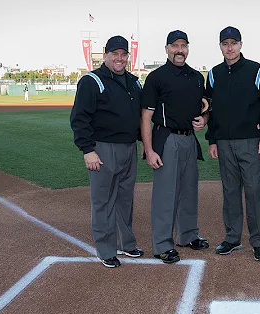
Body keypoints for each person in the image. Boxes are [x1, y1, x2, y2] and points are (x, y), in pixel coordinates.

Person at [70, 35, 144, 268]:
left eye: (123, 54)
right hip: (103, 148)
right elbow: (79, 118)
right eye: (115, 54)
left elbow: (139, 116)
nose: (120, 58)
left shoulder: (133, 81)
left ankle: (126, 243)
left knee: (125, 200)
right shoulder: (92, 81)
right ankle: (106, 249)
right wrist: (87, 150)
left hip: (129, 147)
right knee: (102, 201)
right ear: (106, 56)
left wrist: (144, 143)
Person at [141, 30, 209, 264]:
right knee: (165, 194)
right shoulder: (156, 77)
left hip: (190, 139)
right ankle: (162, 244)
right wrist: (149, 150)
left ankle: (188, 235)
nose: (180, 50)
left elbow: (205, 107)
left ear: (188, 48)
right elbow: (146, 116)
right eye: (175, 46)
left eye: (183, 46)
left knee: (189, 190)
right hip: (166, 138)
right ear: (167, 48)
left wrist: (205, 120)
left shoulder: (196, 77)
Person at [205, 26, 260, 261]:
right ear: (220, 46)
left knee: (253, 191)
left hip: (250, 141)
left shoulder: (257, 71)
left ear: (241, 44)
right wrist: (212, 140)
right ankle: (232, 238)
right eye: (225, 43)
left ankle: (258, 241)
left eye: (233, 43)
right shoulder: (213, 74)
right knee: (230, 191)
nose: (229, 48)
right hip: (223, 141)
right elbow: (210, 110)